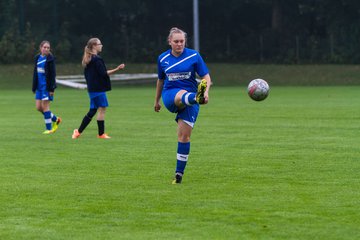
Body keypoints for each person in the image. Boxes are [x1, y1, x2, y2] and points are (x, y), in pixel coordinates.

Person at [154, 27, 212, 184]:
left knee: (184, 137)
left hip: (191, 99)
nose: (179, 44)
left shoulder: (194, 55)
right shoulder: (162, 58)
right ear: (169, 42)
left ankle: (178, 175)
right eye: (176, 41)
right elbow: (160, 81)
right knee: (180, 95)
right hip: (171, 95)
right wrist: (156, 100)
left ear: (185, 41)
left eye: (182, 41)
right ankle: (195, 97)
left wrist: (205, 92)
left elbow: (206, 76)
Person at [72, 37, 125, 139]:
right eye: (100, 44)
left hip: (92, 89)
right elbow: (104, 74)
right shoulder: (97, 59)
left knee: (93, 110)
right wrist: (118, 69)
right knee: (102, 109)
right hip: (98, 89)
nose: (101, 46)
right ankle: (100, 134)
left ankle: (78, 132)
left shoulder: (89, 59)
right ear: (94, 46)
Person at [32, 40, 61, 134]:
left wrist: (51, 89)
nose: (46, 49)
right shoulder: (37, 58)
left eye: (48, 48)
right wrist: (34, 86)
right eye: (44, 47)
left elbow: (53, 74)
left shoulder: (50, 59)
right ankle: (56, 119)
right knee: (38, 108)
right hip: (39, 87)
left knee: (45, 107)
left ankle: (49, 129)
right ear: (40, 48)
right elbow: (35, 73)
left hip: (47, 87)